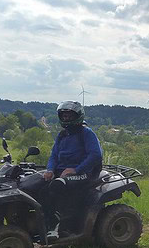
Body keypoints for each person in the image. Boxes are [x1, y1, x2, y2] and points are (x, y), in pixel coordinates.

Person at [42, 101, 103, 239]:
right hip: (62, 172)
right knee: (35, 183)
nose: (66, 118)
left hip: (84, 173)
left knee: (57, 185)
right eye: (63, 116)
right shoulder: (63, 135)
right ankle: (41, 220)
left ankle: (55, 227)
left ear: (78, 116)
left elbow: (95, 155)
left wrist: (76, 169)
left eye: (69, 116)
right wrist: (50, 169)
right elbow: (54, 155)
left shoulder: (86, 133)